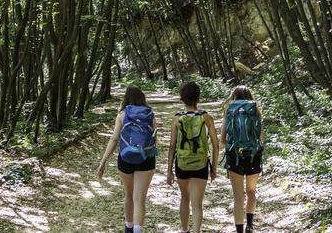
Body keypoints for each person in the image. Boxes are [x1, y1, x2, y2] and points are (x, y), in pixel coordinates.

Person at [98, 86, 158, 233]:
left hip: (125, 158)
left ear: (126, 98)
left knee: (129, 195)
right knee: (139, 198)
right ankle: (137, 230)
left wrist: (103, 161)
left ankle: (128, 228)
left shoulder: (122, 115)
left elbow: (114, 139)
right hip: (146, 159)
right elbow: (154, 139)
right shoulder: (150, 115)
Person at [166, 81, 219, 233]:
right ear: (198, 98)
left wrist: (169, 171)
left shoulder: (177, 119)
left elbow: (172, 147)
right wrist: (213, 168)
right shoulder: (206, 118)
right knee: (197, 205)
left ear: (182, 98)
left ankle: (184, 230)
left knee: (184, 198)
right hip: (201, 164)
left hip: (182, 164)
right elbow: (215, 145)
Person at [221, 85, 264, 233]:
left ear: (234, 96)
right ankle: (250, 225)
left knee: (238, 196)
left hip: (235, 156)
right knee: (251, 191)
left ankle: (239, 230)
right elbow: (260, 136)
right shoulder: (255, 110)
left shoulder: (230, 110)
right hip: (253, 154)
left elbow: (223, 138)